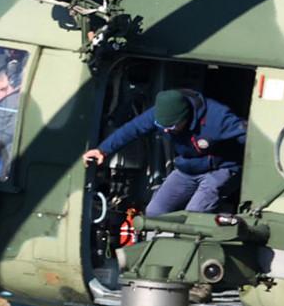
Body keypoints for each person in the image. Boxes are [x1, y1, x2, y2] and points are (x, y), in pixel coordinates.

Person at [82, 88, 247, 216]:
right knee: (155, 212)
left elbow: (251, 138)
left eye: (172, 127)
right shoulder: (160, 113)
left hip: (221, 169)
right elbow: (132, 129)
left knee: (194, 215)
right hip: (188, 168)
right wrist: (103, 150)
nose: (167, 131)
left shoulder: (219, 119)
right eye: (163, 128)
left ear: (186, 117)